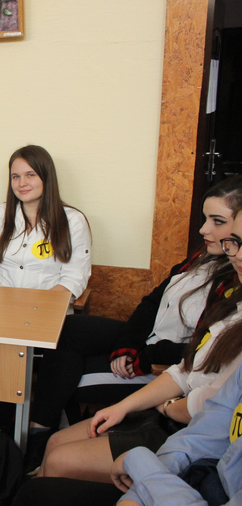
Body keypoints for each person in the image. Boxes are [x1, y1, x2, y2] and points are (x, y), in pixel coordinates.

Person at [24, 176, 242, 474]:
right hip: (150, 343)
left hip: (162, 364)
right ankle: (42, 430)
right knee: (70, 329)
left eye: (217, 222)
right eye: (205, 219)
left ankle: (48, 443)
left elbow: (196, 353)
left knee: (66, 376)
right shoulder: (201, 258)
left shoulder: (232, 280)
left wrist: (142, 357)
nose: (204, 229)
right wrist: (128, 346)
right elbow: (151, 303)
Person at [5, 345, 242, 506]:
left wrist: (139, 462)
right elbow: (198, 437)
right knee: (39, 484)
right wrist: (132, 503)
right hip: (194, 481)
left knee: (43, 489)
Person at [0, 144, 91, 298]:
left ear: (46, 177)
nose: (22, 183)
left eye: (30, 175)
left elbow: (74, 279)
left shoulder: (73, 220)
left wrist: (33, 307)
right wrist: (0, 302)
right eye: (16, 176)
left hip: (48, 307)